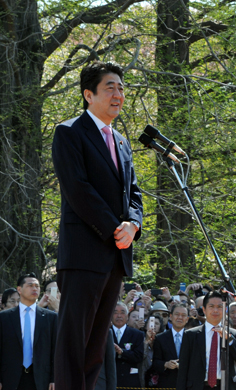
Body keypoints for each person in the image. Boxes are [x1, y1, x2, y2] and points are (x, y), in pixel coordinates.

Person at [52, 60, 143, 390]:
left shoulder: (121, 141)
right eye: (110, 87)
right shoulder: (69, 132)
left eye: (121, 87)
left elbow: (133, 192)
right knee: (73, 346)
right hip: (83, 255)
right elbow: (78, 189)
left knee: (95, 349)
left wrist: (132, 225)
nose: (118, 94)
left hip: (114, 256)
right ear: (89, 94)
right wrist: (115, 229)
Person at [177, 290, 236, 390]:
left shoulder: (233, 334)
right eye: (211, 306)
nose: (215, 310)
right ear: (204, 309)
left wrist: (229, 339)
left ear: (224, 310)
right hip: (198, 386)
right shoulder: (190, 335)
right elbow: (183, 369)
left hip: (225, 386)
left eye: (219, 307)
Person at [0, 273, 58, 390]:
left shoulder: (50, 318)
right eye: (30, 285)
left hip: (41, 378)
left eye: (37, 286)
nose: (35, 288)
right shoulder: (4, 317)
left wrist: (54, 378)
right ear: (19, 289)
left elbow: (55, 350)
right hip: (10, 377)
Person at [153, 303, 189, 388]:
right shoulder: (160, 338)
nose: (180, 317)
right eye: (177, 314)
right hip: (167, 383)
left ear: (187, 319)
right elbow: (155, 362)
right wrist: (166, 364)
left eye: (183, 315)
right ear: (171, 316)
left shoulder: (192, 337)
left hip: (187, 384)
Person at [111, 302, 144, 388]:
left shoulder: (138, 334)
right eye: (115, 312)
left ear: (127, 315)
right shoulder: (103, 334)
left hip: (130, 383)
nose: (119, 316)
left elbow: (139, 356)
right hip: (109, 381)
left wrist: (122, 352)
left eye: (122, 312)